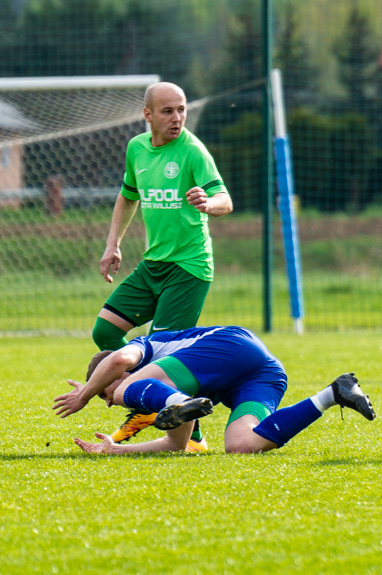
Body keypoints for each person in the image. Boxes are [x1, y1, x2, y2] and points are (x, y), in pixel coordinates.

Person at [92, 82, 233, 450]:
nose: (177, 118)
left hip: (188, 267)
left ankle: (193, 435)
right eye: (168, 111)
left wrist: (208, 203)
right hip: (152, 264)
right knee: (104, 331)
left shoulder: (192, 150)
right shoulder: (137, 148)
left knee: (167, 354)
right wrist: (113, 244)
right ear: (148, 115)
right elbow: (127, 197)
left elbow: (225, 199)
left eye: (182, 109)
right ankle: (157, 401)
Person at [52, 326, 375, 454]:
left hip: (232, 344)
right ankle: (334, 393)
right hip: (262, 372)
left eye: (104, 394)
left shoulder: (141, 349)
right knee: (242, 445)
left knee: (131, 389)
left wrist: (84, 395)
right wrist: (116, 450)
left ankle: (182, 402)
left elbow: (119, 358)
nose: (110, 403)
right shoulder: (162, 391)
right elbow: (174, 445)